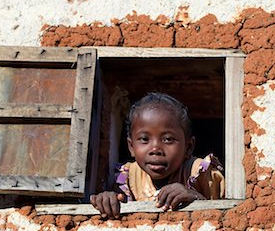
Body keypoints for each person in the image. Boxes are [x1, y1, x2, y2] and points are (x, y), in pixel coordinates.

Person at [90, 92, 225, 219]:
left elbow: (227, 214)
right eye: (144, 139)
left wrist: (196, 198)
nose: (155, 149)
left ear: (188, 147)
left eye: (168, 139)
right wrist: (107, 200)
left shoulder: (200, 173)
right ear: (131, 147)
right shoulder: (127, 177)